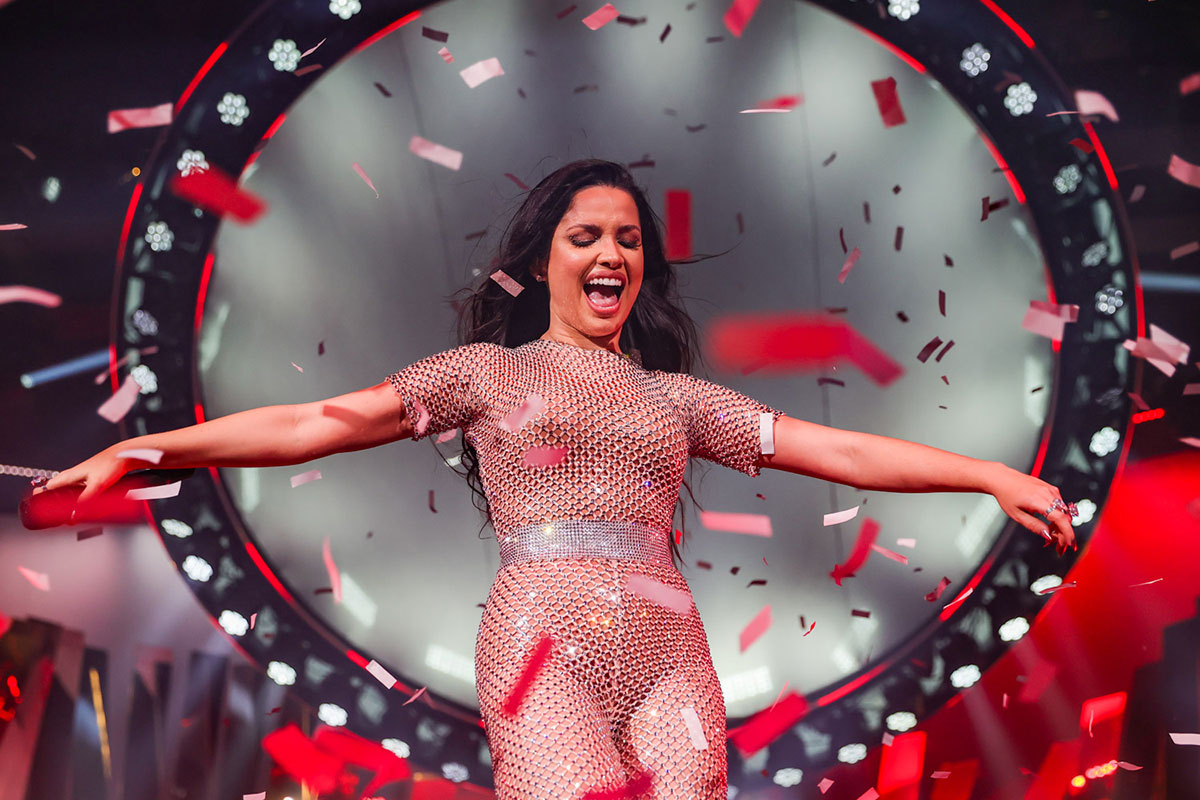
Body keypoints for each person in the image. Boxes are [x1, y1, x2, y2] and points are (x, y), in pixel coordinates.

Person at [36, 159, 1077, 799]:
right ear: (542, 262)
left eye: (628, 237)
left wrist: (989, 473)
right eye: (587, 235)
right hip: (540, 644)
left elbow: (837, 448)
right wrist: (154, 446)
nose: (611, 251)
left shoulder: (677, 398)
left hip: (671, 645)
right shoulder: (484, 374)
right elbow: (321, 418)